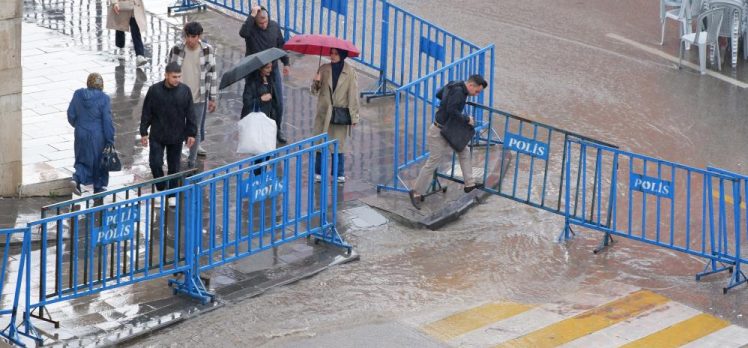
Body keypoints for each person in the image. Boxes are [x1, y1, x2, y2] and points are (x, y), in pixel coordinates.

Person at [408, 75, 488, 210]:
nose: (476, 94)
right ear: (471, 85)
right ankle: (415, 192)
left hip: (447, 129)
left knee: (464, 151)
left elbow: (439, 93)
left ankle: (469, 184)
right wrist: (466, 118)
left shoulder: (454, 83)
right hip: (438, 132)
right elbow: (452, 110)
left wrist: (445, 105)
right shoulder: (458, 92)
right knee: (433, 162)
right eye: (477, 91)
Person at [140, 62, 196, 204]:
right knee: (155, 163)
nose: (177, 79)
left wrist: (191, 133)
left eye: (179, 77)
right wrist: (143, 132)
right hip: (157, 134)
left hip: (176, 135)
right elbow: (147, 112)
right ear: (166, 75)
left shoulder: (185, 91)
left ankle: (171, 194)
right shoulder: (154, 90)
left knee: (174, 167)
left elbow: (190, 113)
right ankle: (161, 188)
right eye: (174, 77)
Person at [167, 21, 217, 168]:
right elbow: (169, 71)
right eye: (188, 36)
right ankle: (174, 159)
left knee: (195, 130)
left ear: (199, 36)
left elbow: (212, 74)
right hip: (177, 97)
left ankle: (192, 161)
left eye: (193, 36)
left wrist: (212, 98)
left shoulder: (208, 50)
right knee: (176, 128)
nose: (190, 40)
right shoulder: (176, 49)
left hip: (198, 97)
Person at [239, 5, 290, 143]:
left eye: (265, 21)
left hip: (272, 70)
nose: (263, 25)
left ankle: (277, 129)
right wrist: (252, 15)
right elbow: (243, 33)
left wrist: (286, 62)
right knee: (251, 101)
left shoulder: (274, 26)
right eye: (260, 22)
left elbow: (281, 45)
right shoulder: (250, 29)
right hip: (254, 71)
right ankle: (249, 129)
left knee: (278, 102)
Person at [310, 48, 360, 183]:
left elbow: (353, 95)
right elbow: (314, 92)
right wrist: (316, 81)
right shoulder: (324, 69)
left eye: (335, 53)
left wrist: (354, 117)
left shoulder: (350, 72)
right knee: (320, 143)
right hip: (324, 112)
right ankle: (318, 172)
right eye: (331, 53)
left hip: (340, 112)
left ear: (342, 55)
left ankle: (339, 173)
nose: (332, 56)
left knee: (338, 144)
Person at [67, 73, 116, 195]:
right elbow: (107, 121)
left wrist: (78, 126)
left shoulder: (78, 94)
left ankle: (76, 178)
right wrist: (110, 139)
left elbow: (71, 114)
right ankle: (99, 188)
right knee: (99, 162)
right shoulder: (104, 99)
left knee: (82, 159)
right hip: (97, 136)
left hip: (80, 133)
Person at [106, 0, 149, 66]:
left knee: (136, 31)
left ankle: (140, 55)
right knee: (120, 28)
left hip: (134, 8)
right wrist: (115, 3)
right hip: (121, 7)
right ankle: (121, 48)